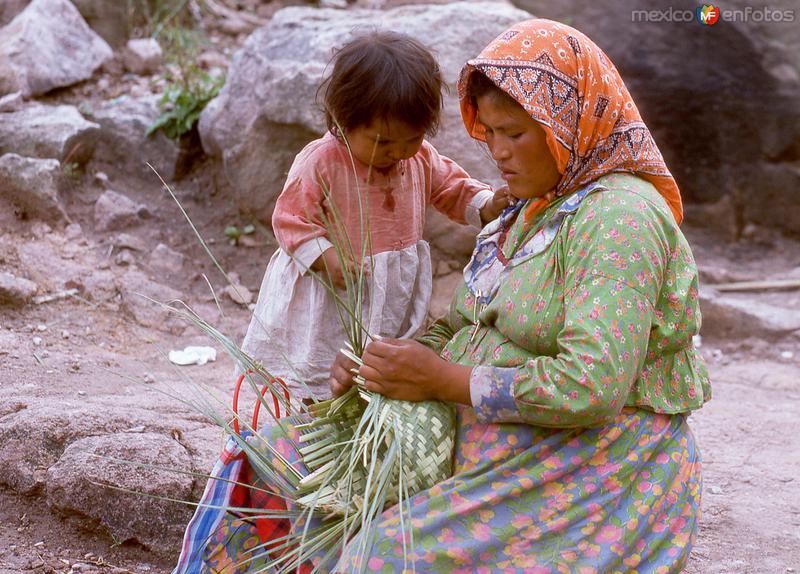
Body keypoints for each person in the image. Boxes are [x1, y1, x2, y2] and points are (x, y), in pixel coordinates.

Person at [326, 18, 712, 572]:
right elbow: (463, 323)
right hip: (496, 436)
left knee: (383, 559)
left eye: (515, 133)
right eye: (490, 133)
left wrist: (444, 380)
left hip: (595, 463)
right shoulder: (529, 208)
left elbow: (592, 386)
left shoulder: (620, 218)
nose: (498, 154)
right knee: (278, 475)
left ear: (567, 123)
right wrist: (382, 366)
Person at [240, 30, 508, 402]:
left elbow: (451, 187)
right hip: (334, 293)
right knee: (318, 369)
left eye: (411, 138)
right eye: (382, 142)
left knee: (375, 370)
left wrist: (487, 203)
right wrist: (324, 257)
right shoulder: (322, 162)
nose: (397, 152)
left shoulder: (419, 157)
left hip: (388, 292)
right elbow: (290, 219)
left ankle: (364, 418)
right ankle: (302, 415)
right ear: (343, 120)